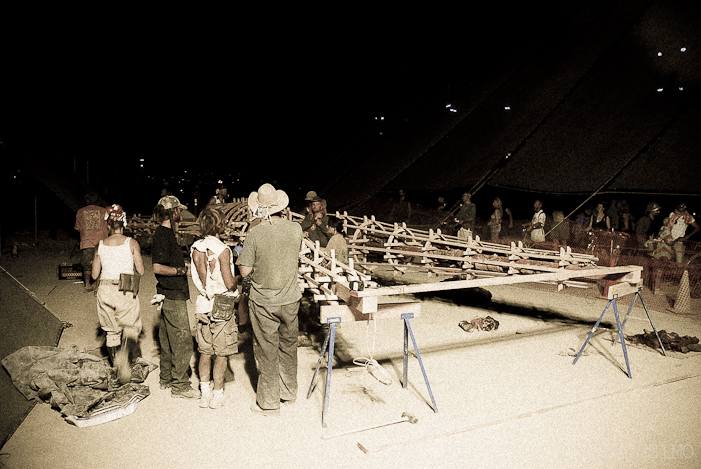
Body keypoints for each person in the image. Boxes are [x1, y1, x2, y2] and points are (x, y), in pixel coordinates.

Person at [237, 183, 303, 415]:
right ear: (280, 207)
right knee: (288, 345)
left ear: (259, 209)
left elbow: (245, 271)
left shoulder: (255, 233)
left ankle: (268, 401)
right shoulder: (295, 229)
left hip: (264, 301)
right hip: (290, 299)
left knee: (266, 349)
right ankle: (289, 392)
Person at [190, 208, 239, 409]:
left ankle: (204, 393)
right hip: (221, 305)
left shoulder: (195, 248)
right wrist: (239, 281)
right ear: (221, 225)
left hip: (202, 303)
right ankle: (217, 395)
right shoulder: (223, 250)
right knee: (221, 352)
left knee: (205, 351)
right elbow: (228, 283)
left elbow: (201, 276)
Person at [91, 204, 145, 384]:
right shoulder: (131, 243)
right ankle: (125, 358)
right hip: (125, 286)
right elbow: (141, 270)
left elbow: (94, 275)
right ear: (124, 223)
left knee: (111, 333)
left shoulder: (100, 245)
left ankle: (116, 366)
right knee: (130, 327)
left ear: (107, 225)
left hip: (105, 288)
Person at [152, 195, 197, 399]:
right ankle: (180, 385)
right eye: (179, 210)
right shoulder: (164, 235)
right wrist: (181, 271)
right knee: (182, 340)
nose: (181, 213)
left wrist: (180, 268)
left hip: (166, 292)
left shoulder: (165, 233)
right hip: (172, 294)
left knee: (168, 339)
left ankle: (166, 378)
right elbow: (158, 267)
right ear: (173, 213)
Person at [74, 192, 109, 291]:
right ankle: (98, 286)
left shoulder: (80, 212)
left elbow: (77, 228)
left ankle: (87, 285)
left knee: (87, 265)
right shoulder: (103, 211)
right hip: (101, 242)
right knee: (100, 264)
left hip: (87, 241)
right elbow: (107, 226)